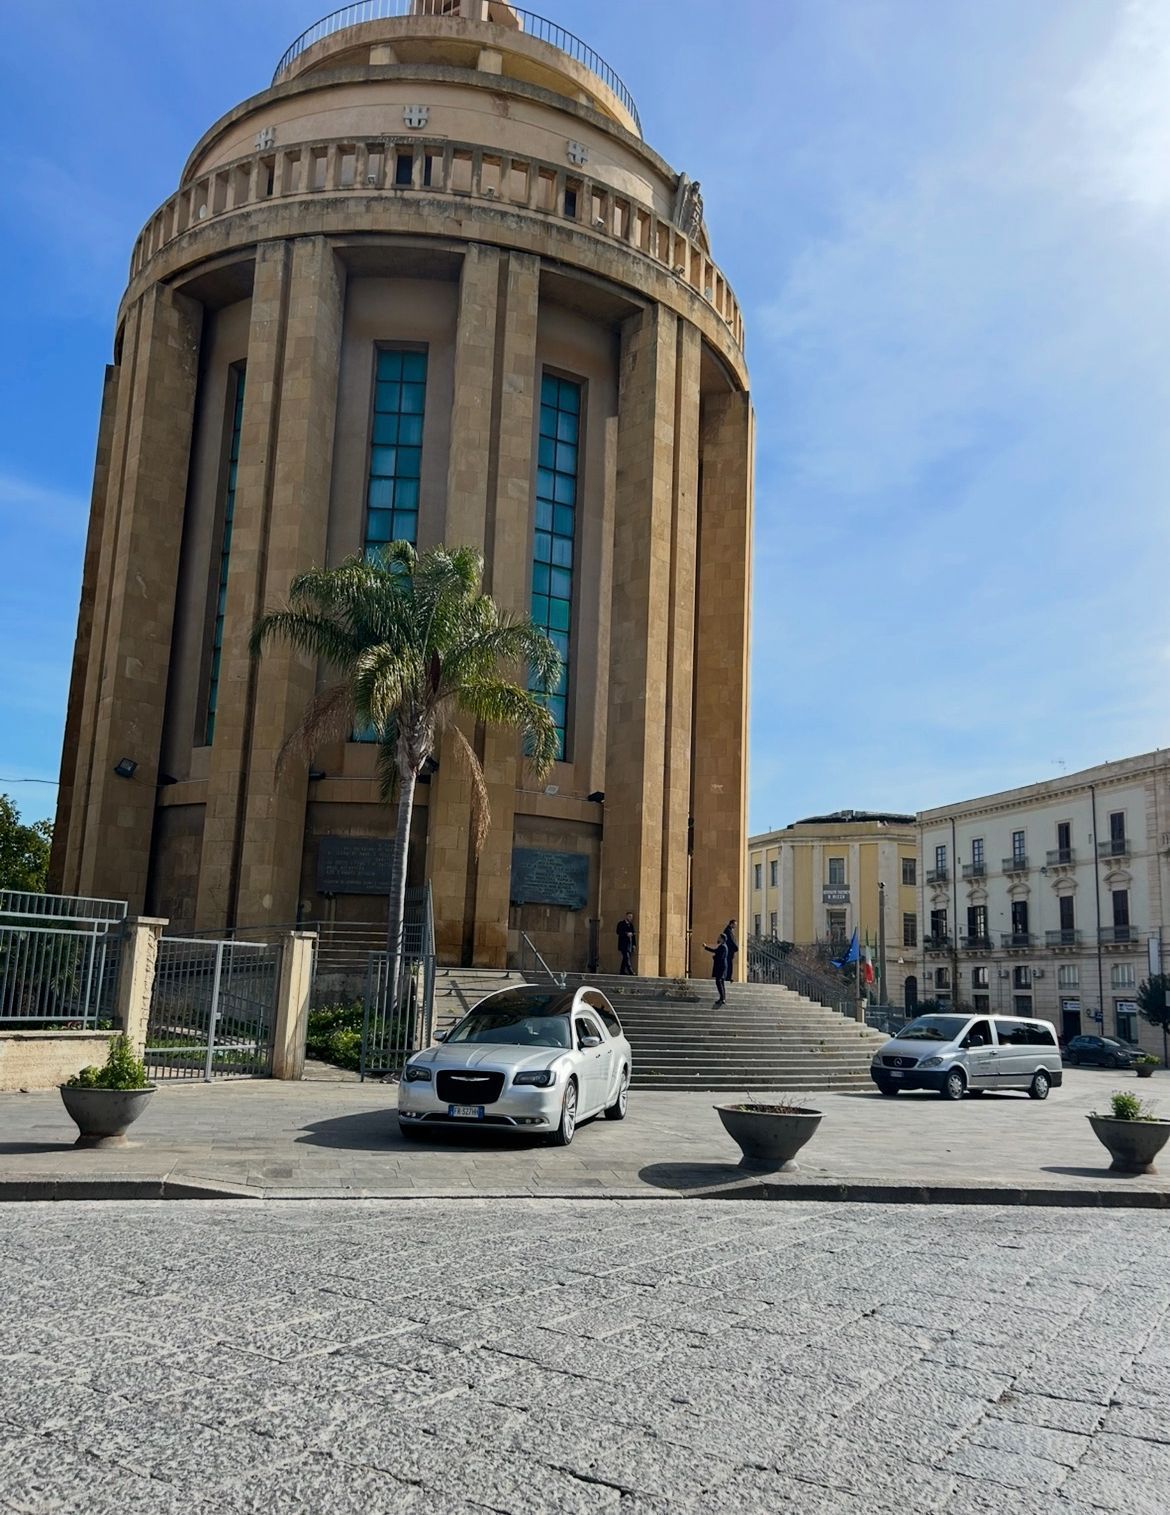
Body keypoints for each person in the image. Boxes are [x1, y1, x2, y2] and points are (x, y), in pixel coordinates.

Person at [703, 931, 729, 1007]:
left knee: (718, 981)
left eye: (719, 938)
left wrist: (706, 948)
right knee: (721, 982)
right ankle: (722, 998)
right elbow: (717, 952)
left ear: (722, 939)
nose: (718, 938)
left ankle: (722, 998)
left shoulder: (723, 946)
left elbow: (718, 954)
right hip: (722, 966)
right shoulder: (723, 946)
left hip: (721, 966)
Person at [723, 919, 739, 986]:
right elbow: (731, 940)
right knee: (728, 964)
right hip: (729, 950)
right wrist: (736, 947)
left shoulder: (730, 930)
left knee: (729, 964)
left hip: (731, 950)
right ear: (731, 924)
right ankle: (727, 977)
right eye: (734, 924)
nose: (735, 926)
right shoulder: (728, 930)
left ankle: (728, 977)